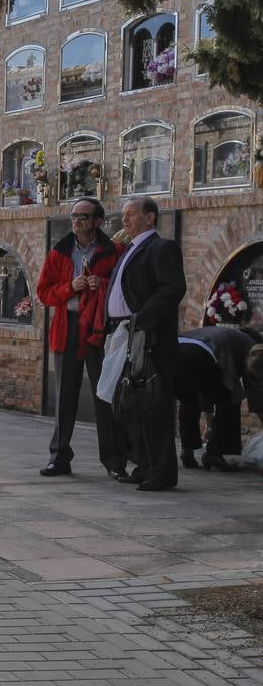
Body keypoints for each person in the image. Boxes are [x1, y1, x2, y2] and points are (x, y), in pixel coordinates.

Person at [34, 198, 127, 478]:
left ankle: (114, 461)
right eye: (74, 215)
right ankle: (59, 456)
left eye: (83, 216)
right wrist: (69, 287)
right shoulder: (59, 252)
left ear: (98, 221)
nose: (76, 221)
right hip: (69, 326)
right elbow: (44, 293)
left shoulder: (114, 251)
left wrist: (104, 284)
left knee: (104, 393)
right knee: (66, 394)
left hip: (99, 330)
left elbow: (125, 289)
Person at [105, 196, 186, 491]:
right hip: (125, 334)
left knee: (155, 405)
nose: (124, 220)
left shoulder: (161, 248)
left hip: (149, 338)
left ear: (150, 217)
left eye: (130, 215)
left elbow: (172, 288)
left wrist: (141, 320)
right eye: (123, 215)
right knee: (133, 405)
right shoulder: (130, 248)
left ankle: (162, 472)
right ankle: (143, 463)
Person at [174, 325, 263, 471]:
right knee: (230, 401)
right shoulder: (250, 348)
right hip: (199, 353)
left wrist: (210, 425)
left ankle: (187, 451)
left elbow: (207, 391)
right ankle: (215, 452)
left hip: (175, 353)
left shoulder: (224, 333)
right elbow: (250, 392)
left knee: (189, 400)